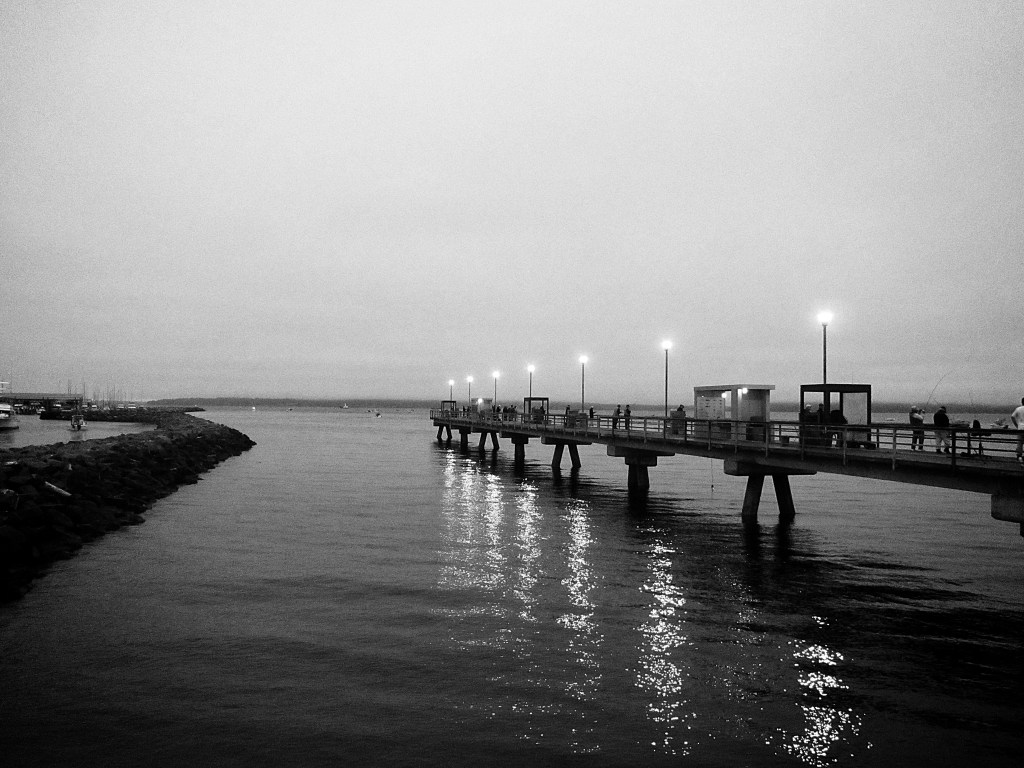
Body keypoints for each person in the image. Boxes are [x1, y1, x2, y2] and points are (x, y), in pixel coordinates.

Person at [1011, 397, 1024, 464]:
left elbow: (1012, 417)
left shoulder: (1018, 409)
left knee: (1019, 443)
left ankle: (1019, 456)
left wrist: (1016, 425)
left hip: (1020, 428)